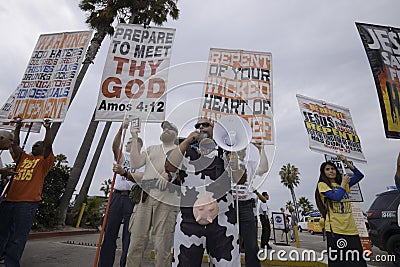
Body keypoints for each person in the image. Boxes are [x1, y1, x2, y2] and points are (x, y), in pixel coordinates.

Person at [165, 117, 244, 267]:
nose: (201, 128)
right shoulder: (185, 150)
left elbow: (240, 179)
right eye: (198, 125)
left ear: (214, 128)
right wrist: (187, 141)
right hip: (190, 220)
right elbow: (169, 167)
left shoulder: (225, 150)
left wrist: (234, 161)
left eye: (206, 125)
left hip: (222, 220)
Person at [0, 119, 55, 266]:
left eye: (38, 144)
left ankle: (11, 263)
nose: (34, 145)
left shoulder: (44, 162)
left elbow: (49, 145)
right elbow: (15, 145)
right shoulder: (24, 158)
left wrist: (48, 129)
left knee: (18, 237)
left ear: (43, 149)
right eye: (34, 144)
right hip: (10, 200)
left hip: (27, 203)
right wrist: (18, 127)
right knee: (2, 232)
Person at [126, 121, 179, 267]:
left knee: (162, 247)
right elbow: (135, 164)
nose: (166, 130)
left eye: (170, 128)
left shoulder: (181, 151)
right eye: (164, 128)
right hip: (145, 198)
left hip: (167, 200)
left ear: (176, 134)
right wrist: (135, 137)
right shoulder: (151, 149)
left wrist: (168, 173)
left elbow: (182, 171)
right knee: (136, 242)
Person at [98, 120, 143, 267]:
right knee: (110, 232)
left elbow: (141, 179)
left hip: (132, 198)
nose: (128, 143)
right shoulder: (122, 157)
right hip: (117, 196)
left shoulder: (143, 161)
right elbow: (115, 146)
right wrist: (121, 128)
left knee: (128, 237)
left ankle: (125, 264)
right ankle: (105, 264)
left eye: (132, 142)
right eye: (128, 141)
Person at [315, 155, 367, 266]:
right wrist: (343, 184)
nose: (331, 171)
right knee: (339, 262)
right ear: (323, 172)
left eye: (333, 169)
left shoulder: (343, 183)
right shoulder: (322, 185)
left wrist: (347, 163)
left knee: (357, 261)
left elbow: (359, 175)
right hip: (336, 229)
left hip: (351, 228)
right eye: (327, 169)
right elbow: (336, 197)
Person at [230, 142, 268, 267]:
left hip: (246, 206)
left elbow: (264, 168)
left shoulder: (250, 165)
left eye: (243, 148)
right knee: (229, 242)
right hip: (230, 206)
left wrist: (261, 149)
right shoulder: (227, 163)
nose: (242, 150)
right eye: (238, 148)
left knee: (251, 245)